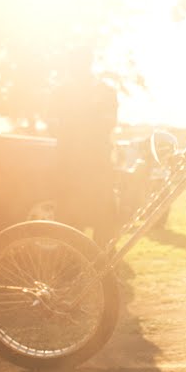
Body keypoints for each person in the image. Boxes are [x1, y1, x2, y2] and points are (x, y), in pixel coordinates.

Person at [49, 46, 119, 245]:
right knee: (68, 221)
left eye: (80, 63)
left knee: (104, 217)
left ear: (89, 63)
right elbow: (53, 125)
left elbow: (108, 123)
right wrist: (89, 117)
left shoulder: (105, 92)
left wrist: (74, 122)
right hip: (69, 166)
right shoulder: (61, 92)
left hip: (97, 165)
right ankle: (70, 260)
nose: (76, 68)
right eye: (73, 64)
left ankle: (103, 259)